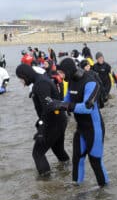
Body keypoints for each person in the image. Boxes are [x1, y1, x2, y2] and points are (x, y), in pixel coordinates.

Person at [56, 58, 109, 187]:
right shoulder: (71, 82)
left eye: (61, 73)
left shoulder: (90, 82)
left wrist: (65, 105)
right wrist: (54, 104)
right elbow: (66, 100)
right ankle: (76, 190)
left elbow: (87, 108)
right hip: (81, 129)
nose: (60, 76)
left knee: (95, 161)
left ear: (68, 71)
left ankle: (105, 195)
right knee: (77, 159)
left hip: (94, 128)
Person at [15, 64, 69, 176]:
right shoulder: (41, 79)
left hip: (54, 122)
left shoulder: (41, 84)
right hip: (59, 120)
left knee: (37, 153)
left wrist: (41, 130)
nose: (22, 83)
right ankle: (68, 173)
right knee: (58, 150)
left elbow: (47, 109)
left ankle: (46, 183)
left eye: (21, 79)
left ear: (26, 75)